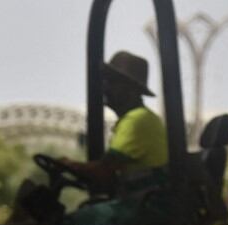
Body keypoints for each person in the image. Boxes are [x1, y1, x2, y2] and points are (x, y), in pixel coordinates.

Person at [60, 50, 167, 194]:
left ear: (132, 90)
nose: (105, 88)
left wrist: (69, 165)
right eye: (106, 81)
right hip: (138, 200)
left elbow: (104, 170)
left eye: (112, 82)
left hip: (142, 206)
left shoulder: (137, 121)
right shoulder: (140, 119)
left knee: (81, 217)